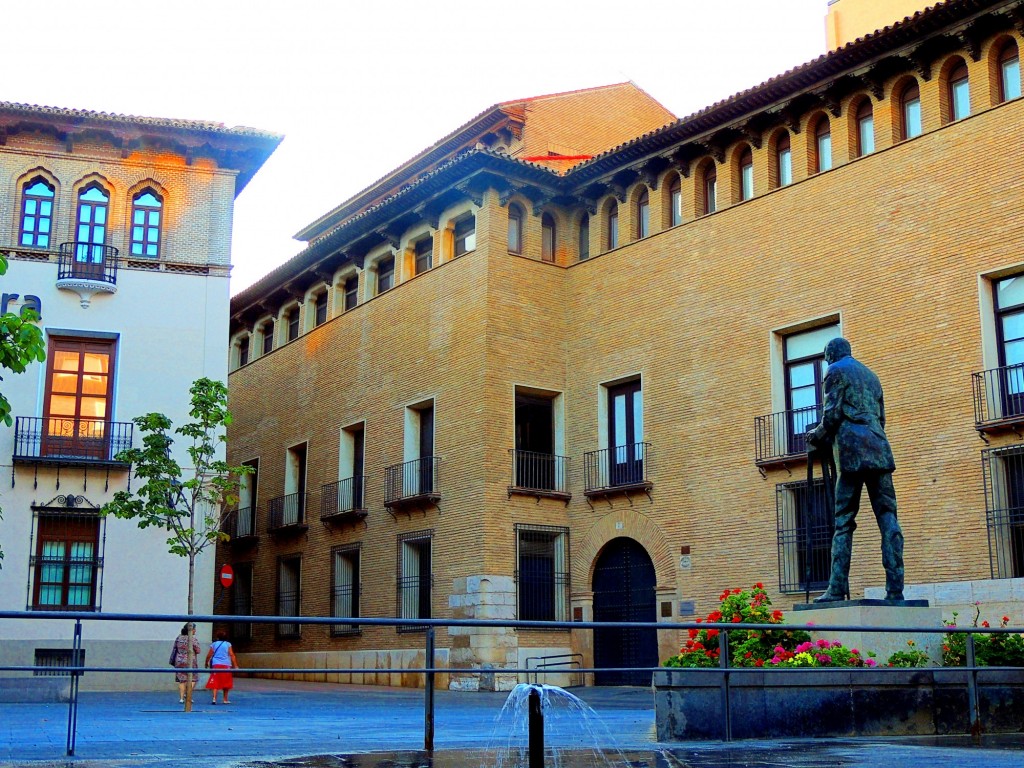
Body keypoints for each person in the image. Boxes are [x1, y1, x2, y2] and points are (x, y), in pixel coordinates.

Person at [806, 337, 905, 602]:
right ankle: (895, 589)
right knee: (888, 517)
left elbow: (832, 414)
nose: (826, 361)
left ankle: (836, 588)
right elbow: (881, 418)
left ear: (833, 353)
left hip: (851, 451)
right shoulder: (872, 376)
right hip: (879, 449)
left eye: (826, 356)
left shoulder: (835, 370)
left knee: (843, 521)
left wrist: (816, 435)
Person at [205, 629, 239, 704]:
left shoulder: (214, 644)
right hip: (226, 665)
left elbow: (209, 655)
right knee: (226, 681)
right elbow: (231, 654)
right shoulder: (228, 644)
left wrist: (206, 662)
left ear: (218, 637)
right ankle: (225, 699)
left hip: (216, 664)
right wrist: (235, 665)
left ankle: (214, 698)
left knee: (215, 681)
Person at [172, 622, 200, 704]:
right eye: (194, 629)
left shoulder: (179, 638)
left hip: (179, 660)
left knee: (182, 680)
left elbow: (175, 648)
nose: (195, 631)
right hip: (190, 660)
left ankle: (181, 698)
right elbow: (198, 650)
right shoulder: (193, 639)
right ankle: (188, 695)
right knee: (193, 678)